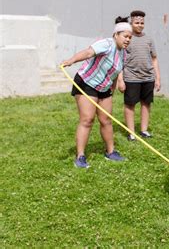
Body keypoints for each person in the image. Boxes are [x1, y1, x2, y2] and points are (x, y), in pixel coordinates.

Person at [61, 16, 132, 168]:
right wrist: (71, 60)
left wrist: (112, 88)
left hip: (104, 88)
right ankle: (80, 156)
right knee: (87, 120)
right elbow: (87, 53)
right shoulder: (106, 44)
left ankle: (110, 152)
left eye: (130, 38)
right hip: (86, 83)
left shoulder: (124, 54)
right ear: (116, 35)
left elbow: (114, 73)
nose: (127, 40)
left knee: (106, 120)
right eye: (125, 36)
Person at [117, 10, 160, 141]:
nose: (140, 25)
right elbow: (119, 59)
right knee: (130, 105)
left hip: (148, 78)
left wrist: (157, 78)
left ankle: (144, 130)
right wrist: (120, 80)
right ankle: (131, 132)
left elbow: (154, 59)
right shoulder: (127, 38)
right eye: (137, 22)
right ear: (131, 23)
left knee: (146, 104)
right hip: (131, 78)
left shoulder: (149, 39)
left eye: (142, 23)